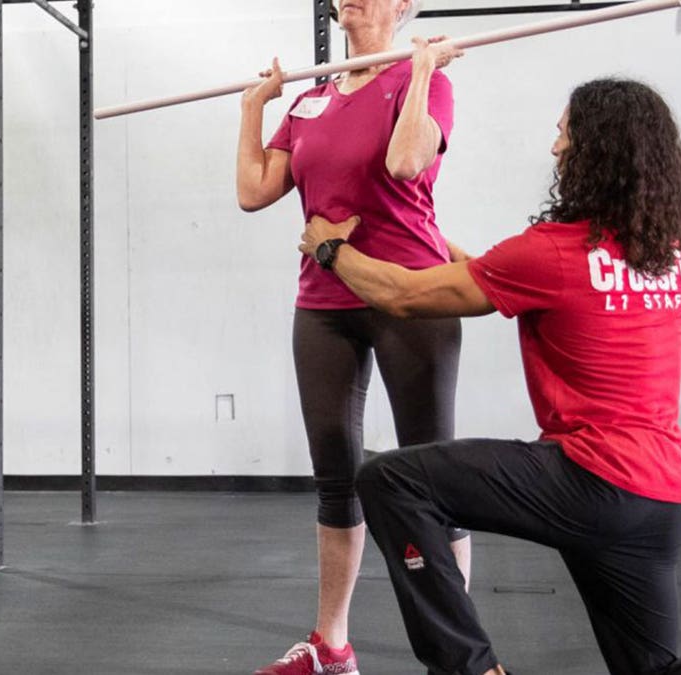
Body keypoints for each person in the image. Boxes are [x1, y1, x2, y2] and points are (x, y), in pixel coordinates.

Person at [297, 78, 681, 675]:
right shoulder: (663, 253)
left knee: (391, 479)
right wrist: (422, 236)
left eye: (564, 134)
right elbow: (499, 272)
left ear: (594, 151)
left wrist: (330, 250)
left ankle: (469, 667)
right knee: (650, 670)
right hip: (661, 496)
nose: (556, 148)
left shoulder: (552, 253)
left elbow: (402, 296)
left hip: (590, 478)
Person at [236, 2, 472, 673]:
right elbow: (254, 191)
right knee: (336, 478)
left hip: (411, 295)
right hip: (324, 299)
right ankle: (330, 648)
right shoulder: (310, 100)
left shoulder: (425, 81)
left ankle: (459, 652)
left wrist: (420, 69)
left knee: (434, 478)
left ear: (403, 6)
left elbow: (404, 162)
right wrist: (256, 105)